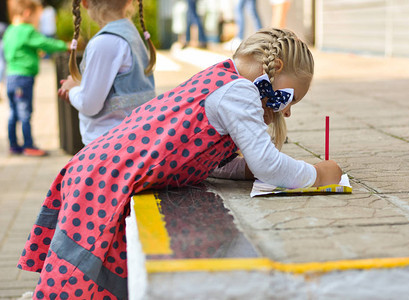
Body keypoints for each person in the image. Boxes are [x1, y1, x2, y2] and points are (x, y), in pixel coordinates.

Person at [18, 28, 342, 299]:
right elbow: (269, 167)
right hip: (104, 178)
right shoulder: (240, 91)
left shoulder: (221, 77)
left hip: (101, 170)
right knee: (78, 271)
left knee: (92, 266)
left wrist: (242, 169)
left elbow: (196, 152)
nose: (286, 112)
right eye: (290, 98)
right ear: (276, 67)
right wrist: (319, 174)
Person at [57, 0, 157, 146]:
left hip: (108, 146)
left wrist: (72, 89)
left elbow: (89, 104)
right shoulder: (130, 34)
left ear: (85, 3)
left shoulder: (105, 42)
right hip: (133, 141)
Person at [3, 0, 68, 156]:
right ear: (27, 13)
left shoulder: (9, 30)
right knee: (25, 112)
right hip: (23, 78)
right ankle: (29, 145)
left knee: (13, 112)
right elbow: (45, 43)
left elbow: (13, 51)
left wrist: (31, 53)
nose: (36, 23)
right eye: (36, 19)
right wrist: (64, 46)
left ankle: (13, 144)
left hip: (10, 77)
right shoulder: (26, 30)